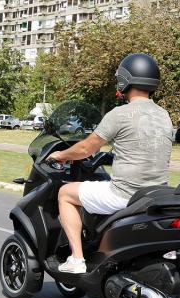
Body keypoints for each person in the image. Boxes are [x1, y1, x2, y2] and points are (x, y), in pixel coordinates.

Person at [47, 53, 173, 274]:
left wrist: (61, 155)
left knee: (65, 193)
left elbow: (86, 149)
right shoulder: (164, 115)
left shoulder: (120, 114)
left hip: (125, 195)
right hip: (156, 194)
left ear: (124, 81)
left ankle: (77, 259)